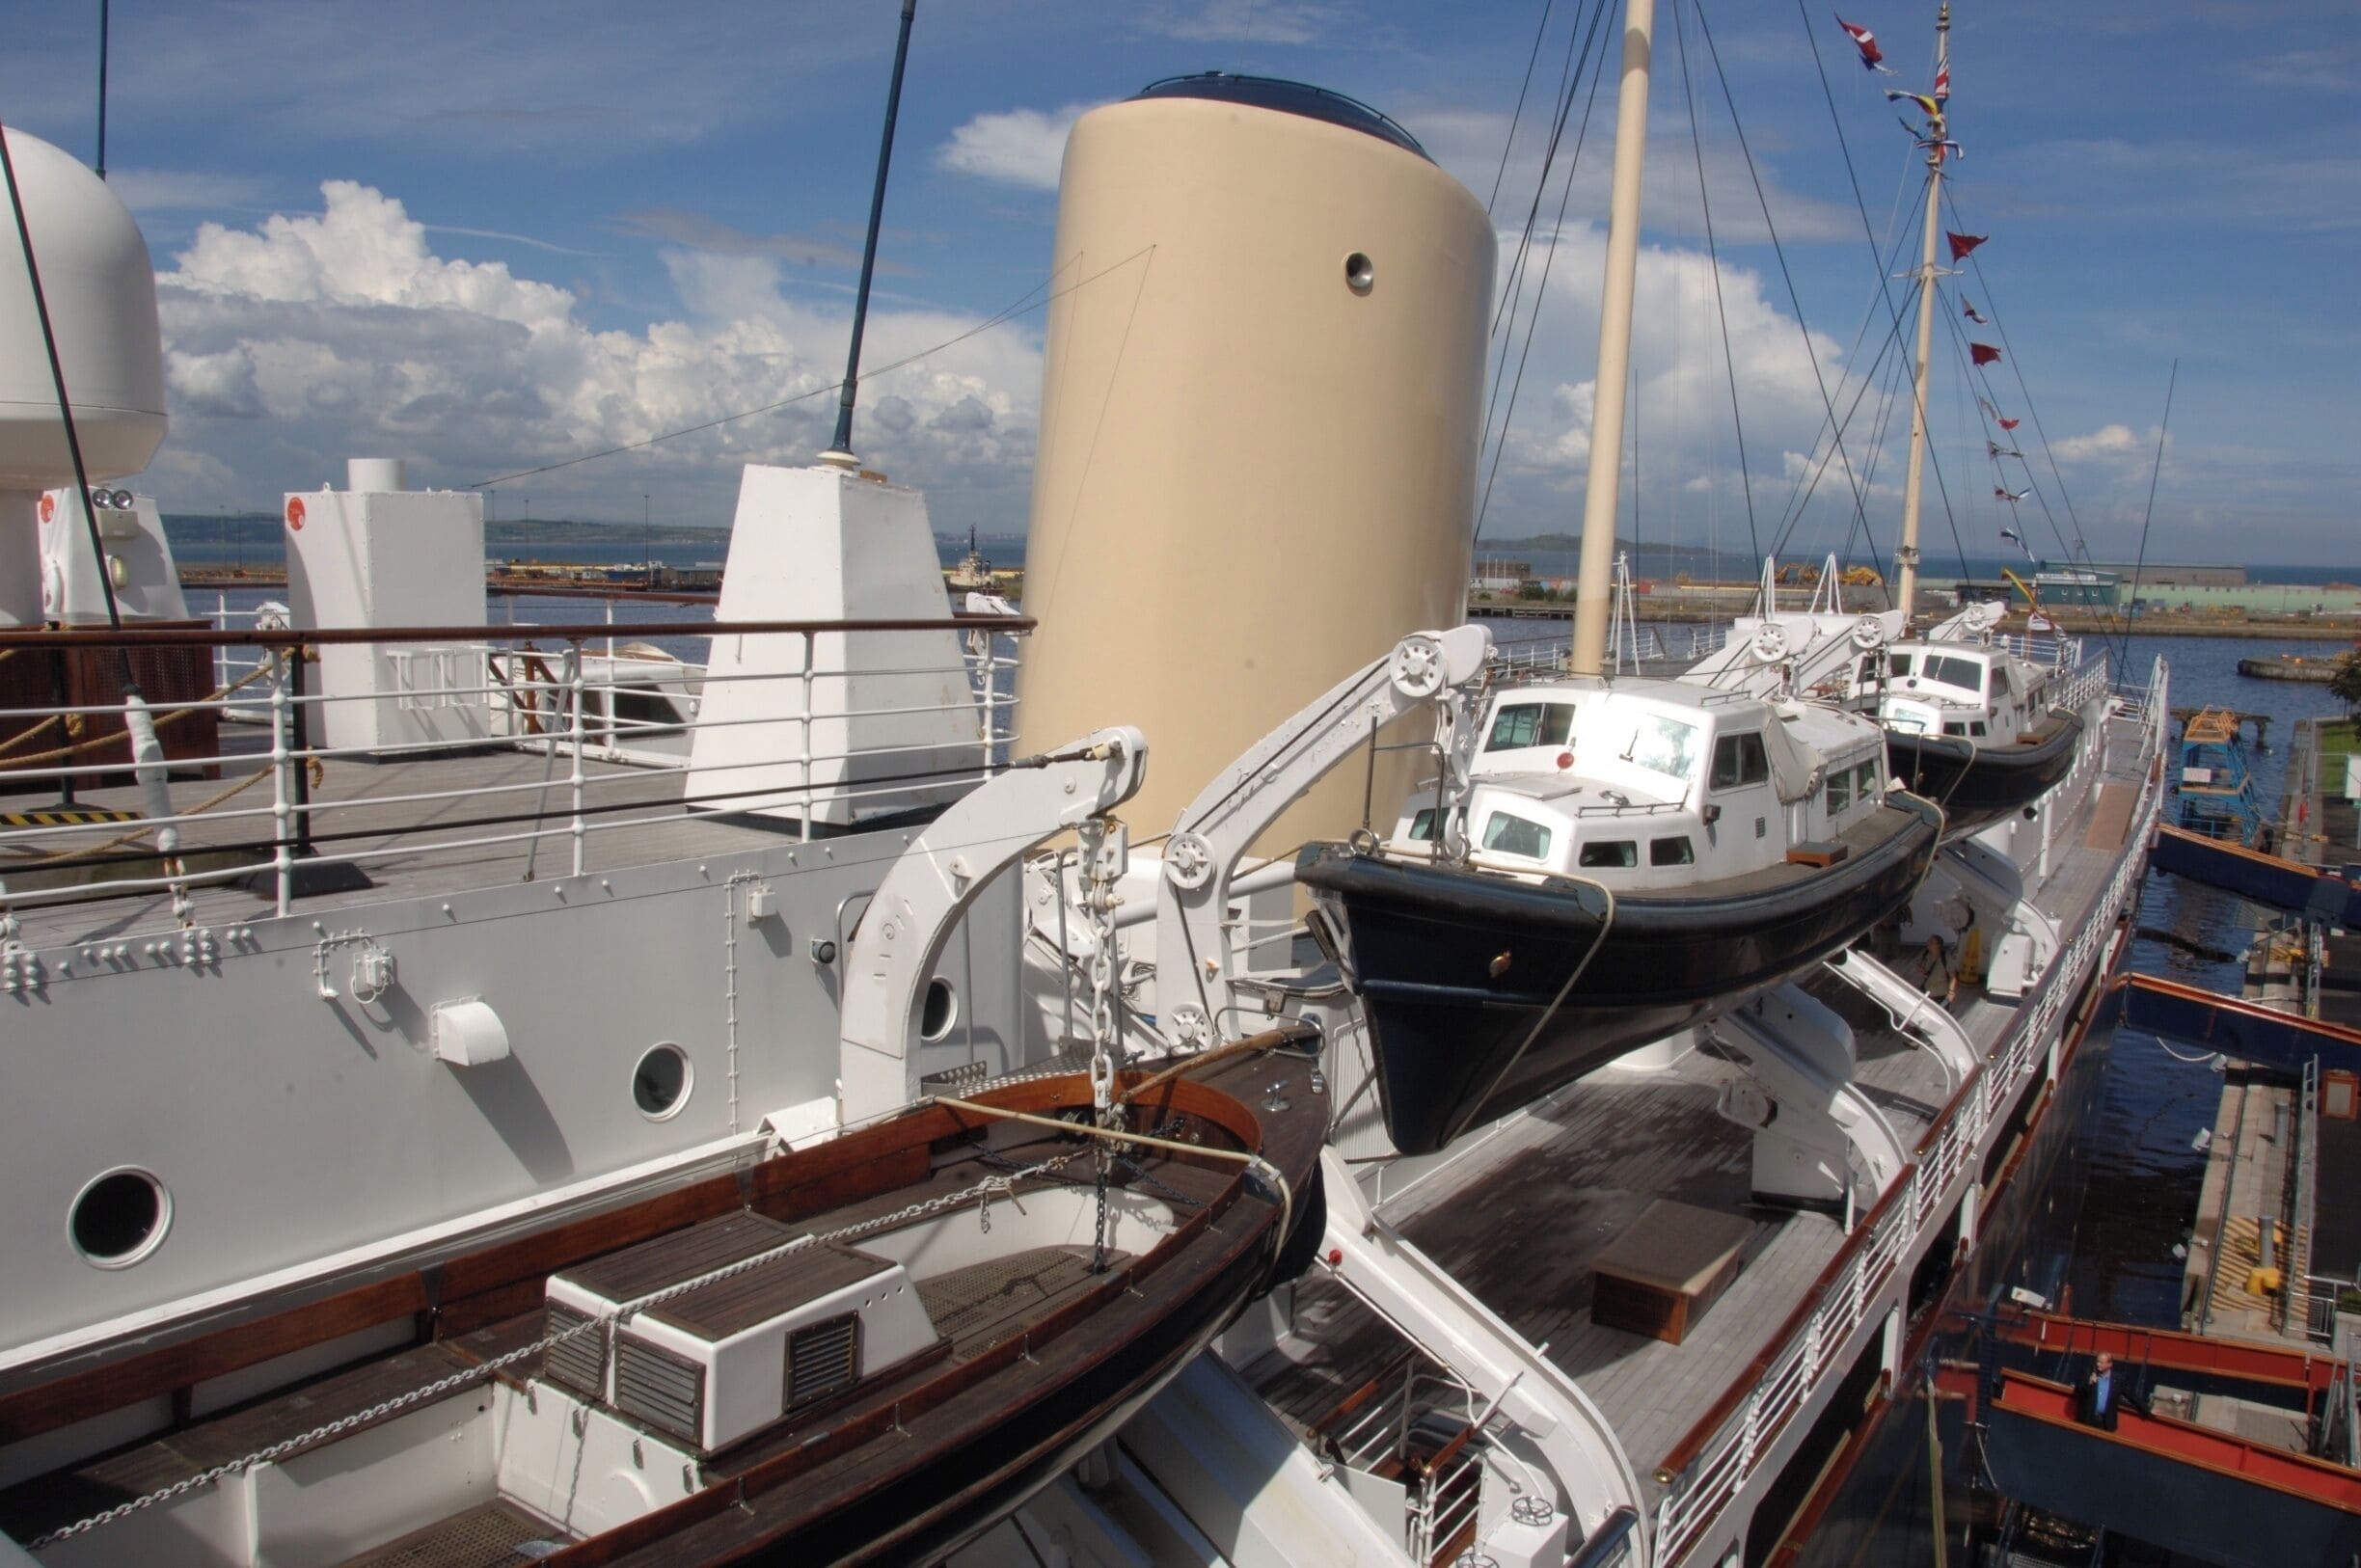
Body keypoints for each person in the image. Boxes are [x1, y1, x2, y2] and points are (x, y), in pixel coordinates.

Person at [2078, 1352, 2122, 1432]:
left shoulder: (2117, 1379)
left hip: (2105, 1423)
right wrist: (2089, 1383)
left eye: (2101, 1362)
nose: (2098, 1364)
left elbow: (2131, 1395)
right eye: (2097, 1361)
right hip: (2088, 1419)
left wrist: (2145, 1410)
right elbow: (2079, 1391)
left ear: (2110, 1364)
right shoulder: (2088, 1373)